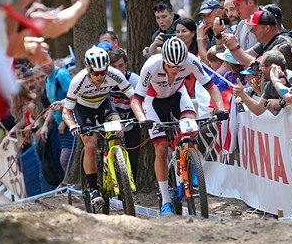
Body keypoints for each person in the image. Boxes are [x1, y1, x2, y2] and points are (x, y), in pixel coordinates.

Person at [131, 38, 226, 216]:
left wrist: (220, 108)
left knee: (191, 129)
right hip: (154, 103)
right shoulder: (151, 65)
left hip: (178, 96)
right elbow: (136, 99)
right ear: (163, 60)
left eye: (179, 67)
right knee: (161, 149)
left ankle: (192, 166)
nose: (175, 70)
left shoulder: (191, 60)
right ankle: (166, 200)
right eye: (171, 66)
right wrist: (142, 118)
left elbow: (211, 87)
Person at [62, 46, 134, 213]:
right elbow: (67, 110)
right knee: (91, 145)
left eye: (103, 72)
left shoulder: (114, 75)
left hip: (104, 105)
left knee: (117, 130)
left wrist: (141, 114)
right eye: (96, 73)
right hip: (83, 109)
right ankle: (94, 188)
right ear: (88, 69)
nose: (101, 76)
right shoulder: (78, 81)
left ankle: (119, 170)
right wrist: (73, 126)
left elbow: (134, 96)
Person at [232, 50, 292, 115]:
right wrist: (242, 94)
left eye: (261, 65)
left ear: (270, 68)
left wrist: (280, 103)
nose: (259, 69)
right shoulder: (270, 84)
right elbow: (258, 109)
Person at [108, 48, 141, 183]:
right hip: (110, 119)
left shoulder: (134, 80)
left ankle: (129, 187)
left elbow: (141, 102)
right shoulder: (103, 81)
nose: (118, 70)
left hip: (130, 121)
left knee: (133, 157)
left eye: (121, 66)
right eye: (113, 67)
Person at [41, 55, 74, 174]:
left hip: (70, 123)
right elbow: (52, 106)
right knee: (62, 161)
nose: (45, 65)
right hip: (59, 126)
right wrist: (45, 125)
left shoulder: (61, 75)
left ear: (53, 60)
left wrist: (64, 122)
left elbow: (72, 98)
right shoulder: (47, 79)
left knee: (66, 159)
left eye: (47, 60)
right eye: (41, 62)